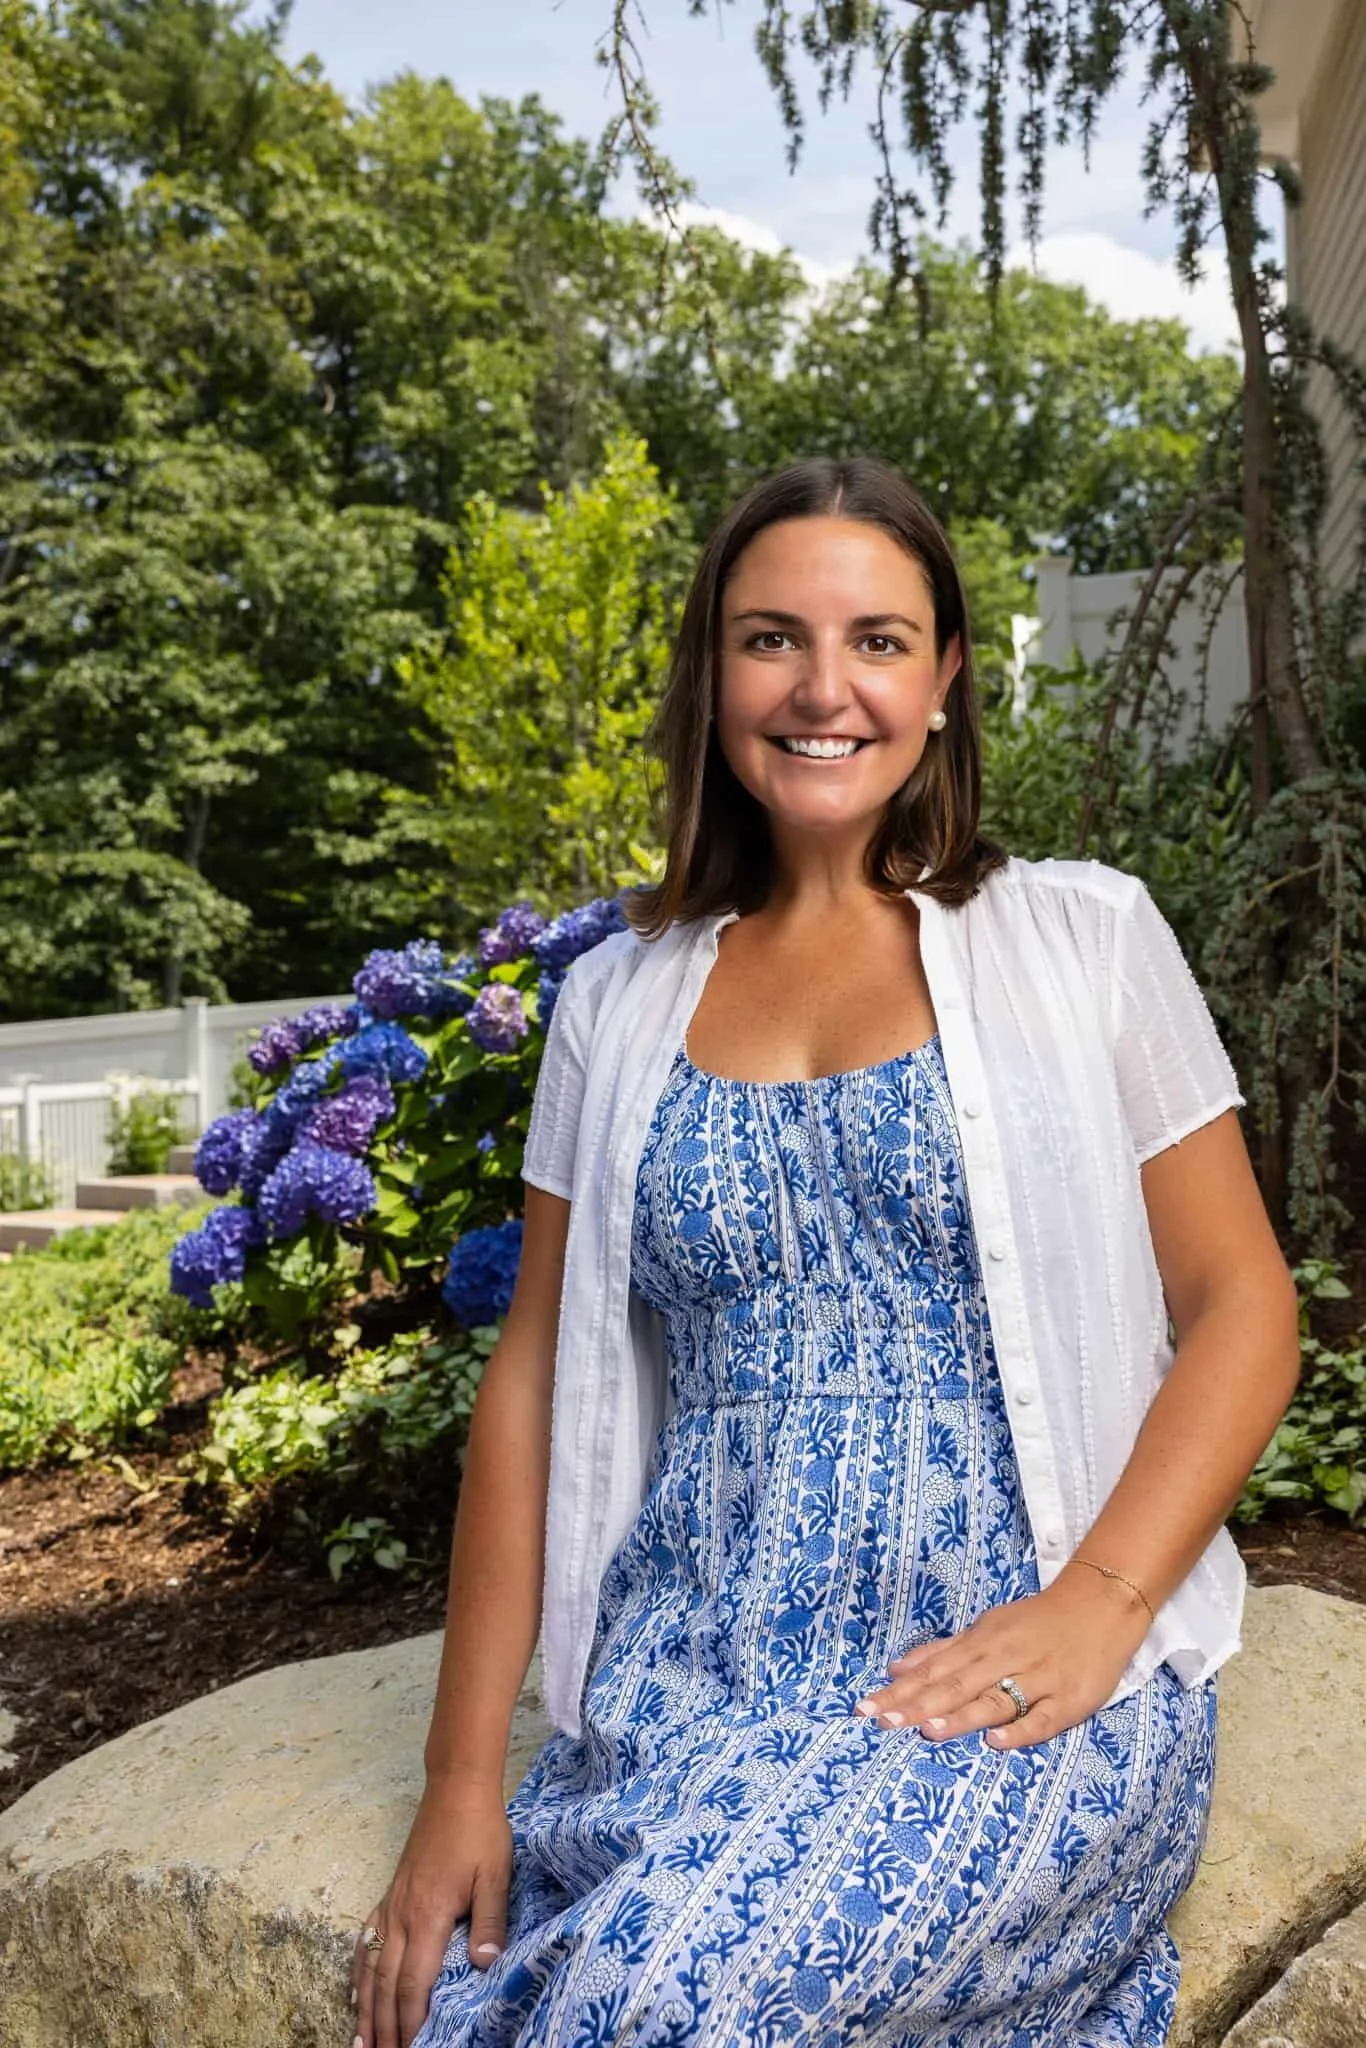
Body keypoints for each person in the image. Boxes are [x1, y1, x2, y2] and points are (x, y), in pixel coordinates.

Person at [351, 456, 1301, 2048]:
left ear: (942, 681)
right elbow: (532, 1377)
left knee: (661, 2002)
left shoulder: (1084, 937)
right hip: (695, 1670)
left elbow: (1241, 1306)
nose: (819, 688)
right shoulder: (616, 1001)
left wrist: (1100, 1601)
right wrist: (460, 1784)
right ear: (710, 675)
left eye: (874, 642)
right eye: (768, 637)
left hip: (1011, 1662)